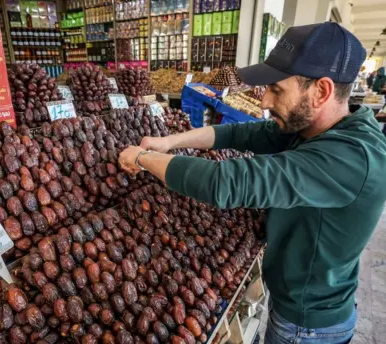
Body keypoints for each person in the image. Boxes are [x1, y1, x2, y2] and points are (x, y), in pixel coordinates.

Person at [119, 22, 386, 344]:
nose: (264, 102)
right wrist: (168, 143)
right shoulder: (317, 128)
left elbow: (226, 182)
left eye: (276, 89)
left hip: (307, 323)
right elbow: (240, 133)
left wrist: (141, 159)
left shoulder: (351, 159)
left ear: (322, 91)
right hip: (295, 299)